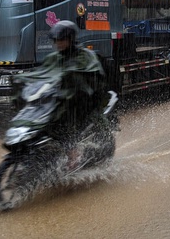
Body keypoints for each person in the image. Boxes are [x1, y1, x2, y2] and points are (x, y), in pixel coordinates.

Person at [14, 20, 108, 161]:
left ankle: (72, 152)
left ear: (70, 39)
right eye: (56, 40)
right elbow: (41, 73)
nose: (58, 43)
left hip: (84, 99)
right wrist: (22, 78)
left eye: (62, 40)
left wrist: (73, 75)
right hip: (59, 96)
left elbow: (90, 72)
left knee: (64, 118)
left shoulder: (85, 55)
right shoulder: (54, 58)